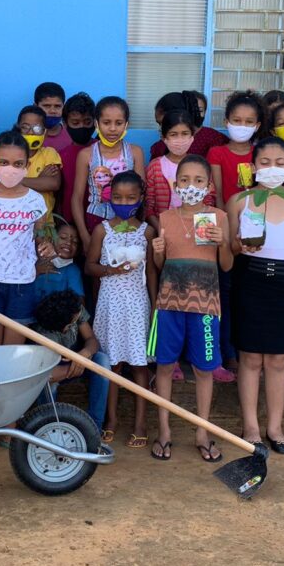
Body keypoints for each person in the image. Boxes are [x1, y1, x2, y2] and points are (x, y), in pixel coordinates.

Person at [227, 137, 284, 454]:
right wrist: (240, 245)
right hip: (250, 280)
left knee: (277, 359)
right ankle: (250, 427)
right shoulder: (240, 200)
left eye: (279, 163)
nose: (272, 168)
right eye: (265, 163)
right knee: (249, 358)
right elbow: (230, 248)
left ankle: (275, 427)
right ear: (252, 166)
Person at [149, 156, 233, 461]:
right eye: (184, 180)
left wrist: (223, 243)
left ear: (209, 185)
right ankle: (164, 431)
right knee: (164, 366)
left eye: (198, 181)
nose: (191, 186)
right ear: (175, 184)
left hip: (206, 306)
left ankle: (202, 432)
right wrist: (158, 252)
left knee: (203, 369)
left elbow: (227, 266)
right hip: (169, 304)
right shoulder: (165, 218)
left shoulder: (218, 217)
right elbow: (161, 266)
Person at [86, 171, 156, 449]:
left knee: (139, 365)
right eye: (117, 198)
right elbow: (89, 266)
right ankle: (111, 419)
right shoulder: (102, 230)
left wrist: (154, 307)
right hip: (110, 305)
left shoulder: (147, 231)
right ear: (109, 198)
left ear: (140, 198)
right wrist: (110, 270)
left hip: (137, 304)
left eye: (130, 198)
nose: (123, 203)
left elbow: (152, 273)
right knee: (112, 365)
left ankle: (140, 423)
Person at [0, 132, 55, 345]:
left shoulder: (35, 201)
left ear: (27, 165)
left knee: (13, 354)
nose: (10, 169)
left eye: (18, 164)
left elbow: (41, 240)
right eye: (4, 162)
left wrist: (48, 248)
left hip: (22, 284)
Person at [208, 90, 264, 373]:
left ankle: (250, 348)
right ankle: (227, 351)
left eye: (249, 121)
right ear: (226, 121)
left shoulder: (261, 154)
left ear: (258, 125)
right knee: (226, 294)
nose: (242, 126)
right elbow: (218, 197)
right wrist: (229, 234)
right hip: (227, 232)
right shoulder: (216, 153)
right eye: (236, 120)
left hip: (258, 233)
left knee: (251, 296)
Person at [71, 96, 146, 252]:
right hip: (96, 219)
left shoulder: (135, 152)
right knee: (98, 264)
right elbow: (77, 198)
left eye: (118, 123)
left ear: (126, 124)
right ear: (96, 123)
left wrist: (141, 225)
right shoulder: (86, 155)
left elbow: (143, 193)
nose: (112, 129)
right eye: (106, 123)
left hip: (130, 220)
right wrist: (84, 236)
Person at [31, 290, 110, 432]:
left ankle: (95, 427)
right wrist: (74, 367)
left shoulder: (75, 310)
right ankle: (49, 428)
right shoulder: (45, 334)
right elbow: (47, 374)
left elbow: (92, 340)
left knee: (102, 360)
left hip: (79, 358)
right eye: (71, 324)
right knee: (47, 384)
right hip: (54, 368)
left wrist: (84, 354)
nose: (77, 319)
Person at [16, 105, 62, 221]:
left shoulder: (49, 153)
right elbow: (5, 185)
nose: (31, 132)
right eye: (25, 127)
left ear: (45, 132)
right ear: (18, 129)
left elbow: (53, 183)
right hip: (16, 224)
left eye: (37, 128)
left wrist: (16, 181)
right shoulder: (11, 155)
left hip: (45, 224)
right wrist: (39, 180)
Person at [57, 92, 96, 225]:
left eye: (87, 122)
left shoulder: (105, 151)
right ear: (65, 124)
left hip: (99, 220)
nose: (81, 127)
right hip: (69, 221)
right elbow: (58, 194)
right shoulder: (59, 156)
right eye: (75, 123)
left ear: (95, 122)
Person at [149, 91, 224, 159]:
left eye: (164, 123)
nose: (161, 128)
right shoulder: (159, 148)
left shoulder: (214, 139)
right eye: (159, 124)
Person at [33, 221, 85, 301]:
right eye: (63, 238)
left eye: (75, 241)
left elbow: (79, 302)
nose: (69, 243)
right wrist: (36, 271)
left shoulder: (72, 270)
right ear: (51, 239)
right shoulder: (34, 261)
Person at [34, 81, 72, 153]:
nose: (52, 111)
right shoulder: (27, 136)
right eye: (46, 106)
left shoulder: (71, 136)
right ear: (35, 107)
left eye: (57, 106)